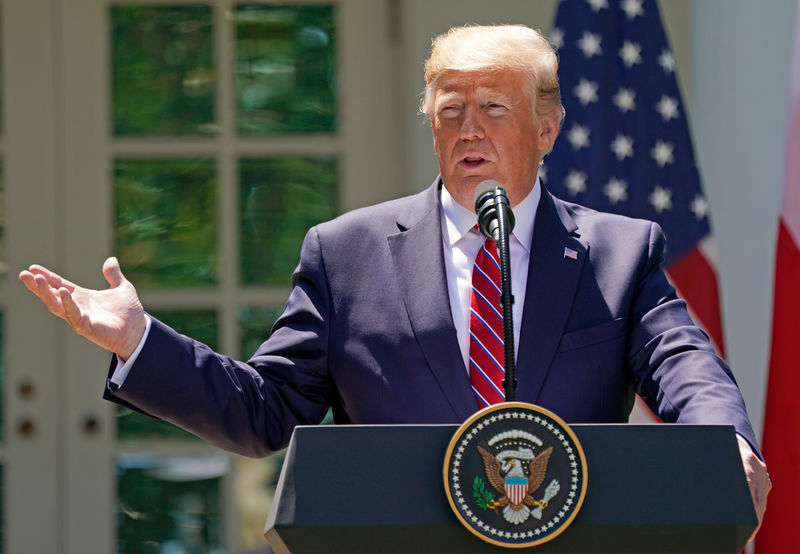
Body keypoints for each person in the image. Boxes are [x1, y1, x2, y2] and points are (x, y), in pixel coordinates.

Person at [20, 24, 769, 536]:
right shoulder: (347, 254)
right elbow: (265, 411)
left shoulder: (617, 251)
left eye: (494, 109)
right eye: (451, 111)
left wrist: (722, 444)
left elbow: (685, 367)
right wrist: (140, 342)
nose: (469, 129)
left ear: (546, 129)